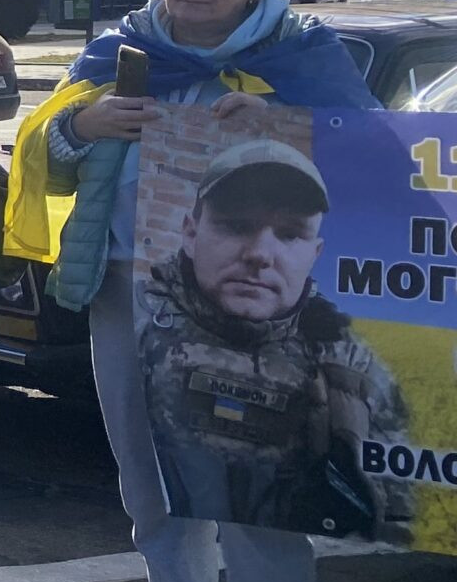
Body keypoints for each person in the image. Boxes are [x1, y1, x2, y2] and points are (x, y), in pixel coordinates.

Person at [9, 0, 376, 582]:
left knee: (260, 513)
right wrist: (77, 123)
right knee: (157, 505)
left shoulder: (303, 58)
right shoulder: (122, 55)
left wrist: (297, 135)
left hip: (261, 322)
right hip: (129, 303)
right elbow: (38, 149)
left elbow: (380, 163)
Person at [142, 142, 412, 542]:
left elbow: (396, 513)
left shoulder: (353, 367)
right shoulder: (136, 322)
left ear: (315, 253)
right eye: (236, 226)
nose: (259, 255)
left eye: (289, 235)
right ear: (190, 232)